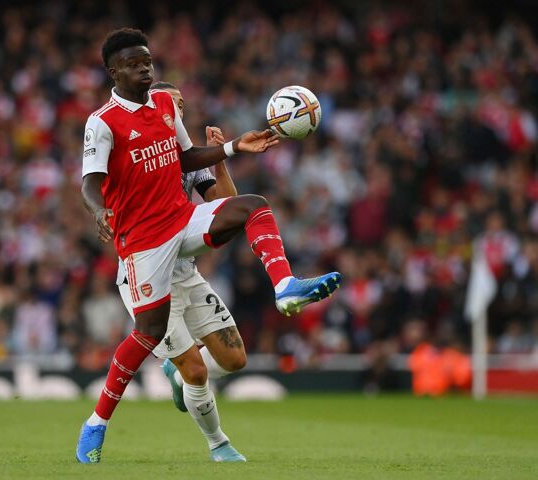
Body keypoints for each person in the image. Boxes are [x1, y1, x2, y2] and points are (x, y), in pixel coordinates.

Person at [77, 28, 341, 464]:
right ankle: (98, 423)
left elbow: (186, 158)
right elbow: (90, 181)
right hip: (143, 244)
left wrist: (234, 147)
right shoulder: (103, 121)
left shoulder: (164, 107)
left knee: (253, 206)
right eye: (133, 63)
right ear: (114, 71)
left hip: (180, 223)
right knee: (151, 336)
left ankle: (285, 287)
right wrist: (98, 210)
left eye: (147, 60)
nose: (144, 68)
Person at [115, 80, 247, 462]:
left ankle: (176, 376)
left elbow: (226, 208)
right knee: (196, 370)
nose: (175, 110)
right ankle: (219, 444)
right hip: (149, 280)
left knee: (235, 360)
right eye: (168, 102)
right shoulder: (137, 156)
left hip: (187, 274)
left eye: (181, 106)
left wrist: (218, 158)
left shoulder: (188, 163)